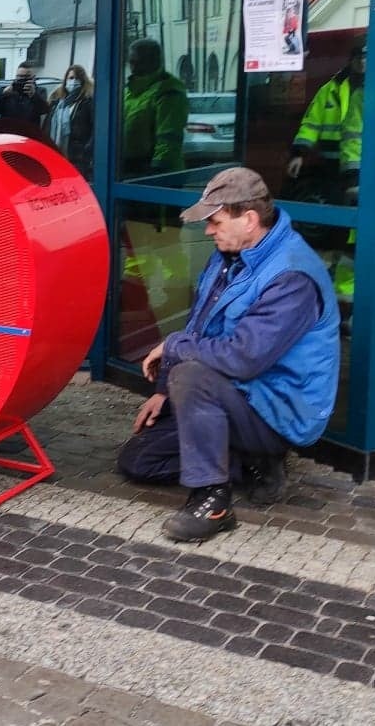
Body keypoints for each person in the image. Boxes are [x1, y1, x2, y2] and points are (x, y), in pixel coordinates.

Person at [115, 168, 339, 542]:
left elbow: (242, 358)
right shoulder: (229, 253)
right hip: (238, 393)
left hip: (277, 411)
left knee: (191, 376)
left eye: (215, 221)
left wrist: (173, 348)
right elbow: (200, 324)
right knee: (138, 459)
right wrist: (164, 392)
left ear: (249, 219)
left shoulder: (292, 276)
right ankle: (251, 463)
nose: (208, 230)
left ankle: (213, 501)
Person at [285, 43, 365, 307]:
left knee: (353, 233)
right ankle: (334, 289)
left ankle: (346, 291)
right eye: (360, 56)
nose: (363, 63)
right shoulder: (331, 89)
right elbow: (312, 123)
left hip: (363, 173)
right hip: (332, 171)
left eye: (368, 57)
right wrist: (300, 152)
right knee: (336, 232)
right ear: (352, 59)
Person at [122, 38, 188, 177]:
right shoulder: (130, 90)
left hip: (151, 171)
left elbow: (168, 136)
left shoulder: (168, 91)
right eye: (131, 61)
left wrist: (158, 170)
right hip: (129, 169)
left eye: (136, 61)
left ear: (151, 61)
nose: (132, 66)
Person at [46, 64, 95, 179]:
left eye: (77, 78)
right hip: (57, 155)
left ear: (83, 81)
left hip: (77, 156)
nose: (73, 82)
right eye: (71, 78)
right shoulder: (57, 103)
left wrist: (86, 150)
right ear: (65, 80)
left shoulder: (87, 103)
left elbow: (94, 129)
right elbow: (47, 127)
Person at [0, 60, 50, 124]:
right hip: (9, 131)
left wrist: (33, 95)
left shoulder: (40, 91)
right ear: (16, 76)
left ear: (33, 77)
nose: (22, 79)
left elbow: (44, 110)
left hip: (29, 131)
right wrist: (3, 95)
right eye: (19, 76)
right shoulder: (6, 90)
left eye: (26, 76)